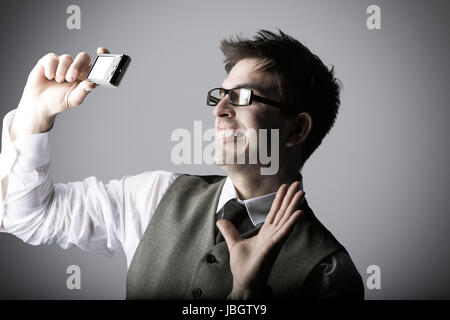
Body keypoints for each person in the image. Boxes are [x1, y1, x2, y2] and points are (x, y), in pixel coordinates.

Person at [0, 30, 364, 299]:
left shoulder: (327, 273)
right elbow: (26, 216)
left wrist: (245, 296)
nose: (220, 110)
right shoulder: (153, 196)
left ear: (297, 129)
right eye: (220, 95)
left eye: (242, 97)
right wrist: (34, 116)